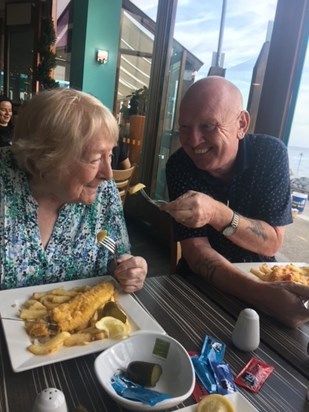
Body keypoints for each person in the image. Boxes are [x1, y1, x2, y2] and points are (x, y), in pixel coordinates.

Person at [161, 76, 309, 328]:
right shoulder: (179, 165)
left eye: (208, 126)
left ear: (241, 123)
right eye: (185, 127)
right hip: (203, 286)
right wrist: (262, 295)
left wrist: (217, 213)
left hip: (266, 279)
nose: (193, 140)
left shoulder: (270, 154)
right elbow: (196, 252)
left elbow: (271, 244)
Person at [0, 88, 147, 292]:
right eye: (95, 159)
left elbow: (114, 254)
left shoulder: (103, 191)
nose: (108, 174)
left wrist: (126, 268)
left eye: (110, 154)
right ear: (43, 160)